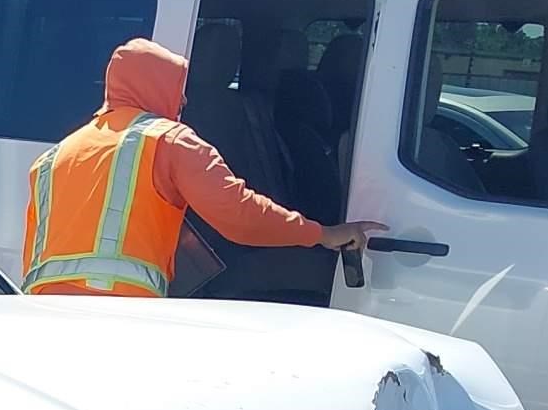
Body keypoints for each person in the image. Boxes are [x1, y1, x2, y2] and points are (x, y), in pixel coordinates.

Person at [22, 38, 380, 296]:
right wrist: (324, 234)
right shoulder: (171, 140)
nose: (184, 99)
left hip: (48, 313)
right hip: (121, 313)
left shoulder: (54, 155)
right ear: (159, 86)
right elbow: (241, 217)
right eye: (179, 86)